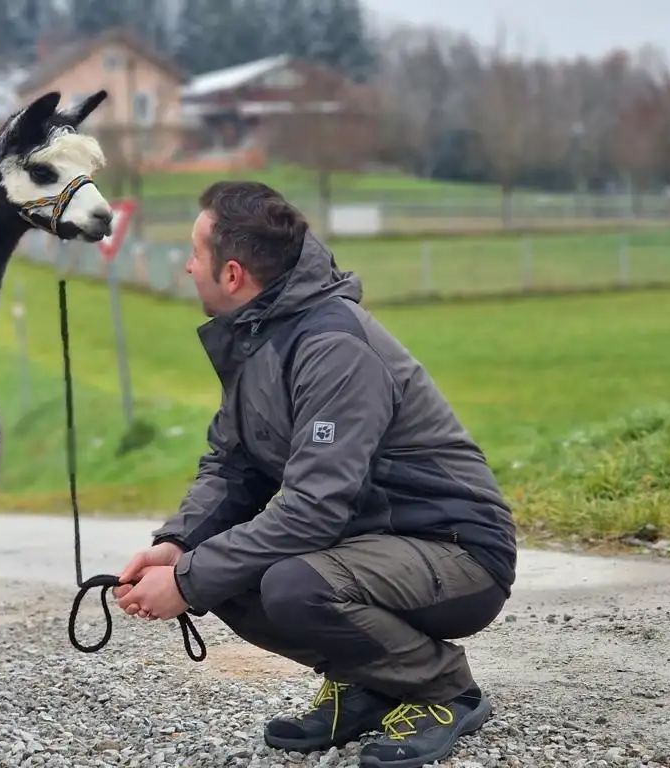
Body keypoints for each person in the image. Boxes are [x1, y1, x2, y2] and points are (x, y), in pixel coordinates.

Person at [112, 180, 517, 768]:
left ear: (231, 274)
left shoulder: (333, 346)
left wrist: (190, 580)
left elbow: (313, 510)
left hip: (455, 551)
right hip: (370, 544)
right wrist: (177, 546)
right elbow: (232, 465)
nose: (186, 268)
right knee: (216, 568)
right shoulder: (258, 339)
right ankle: (367, 685)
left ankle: (441, 687)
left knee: (283, 585)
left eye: (193, 255)